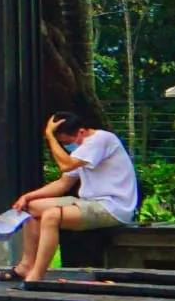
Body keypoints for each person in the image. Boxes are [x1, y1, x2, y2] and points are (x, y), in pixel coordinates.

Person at [10, 110, 141, 283]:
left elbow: (66, 165)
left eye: (66, 142)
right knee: (32, 208)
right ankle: (26, 265)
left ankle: (35, 277)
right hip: (89, 202)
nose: (66, 146)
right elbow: (63, 184)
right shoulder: (82, 149)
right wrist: (27, 197)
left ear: (81, 131)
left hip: (113, 207)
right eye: (62, 143)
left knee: (51, 215)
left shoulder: (101, 140)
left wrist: (49, 136)